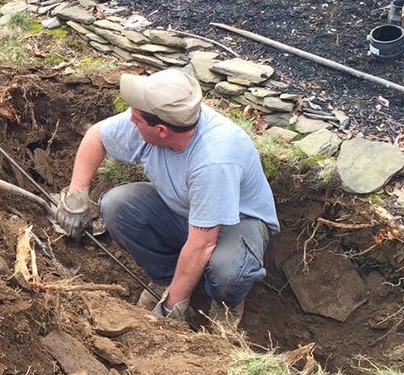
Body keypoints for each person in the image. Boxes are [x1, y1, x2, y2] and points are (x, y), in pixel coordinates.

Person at [55, 67, 279, 325]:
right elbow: (97, 136)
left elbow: (202, 244)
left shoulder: (214, 160)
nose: (131, 121)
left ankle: (226, 304)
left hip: (236, 223)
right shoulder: (160, 119)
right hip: (183, 211)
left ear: (161, 131)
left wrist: (172, 309)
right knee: (116, 205)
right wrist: (76, 194)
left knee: (230, 273)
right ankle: (167, 278)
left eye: (137, 119)